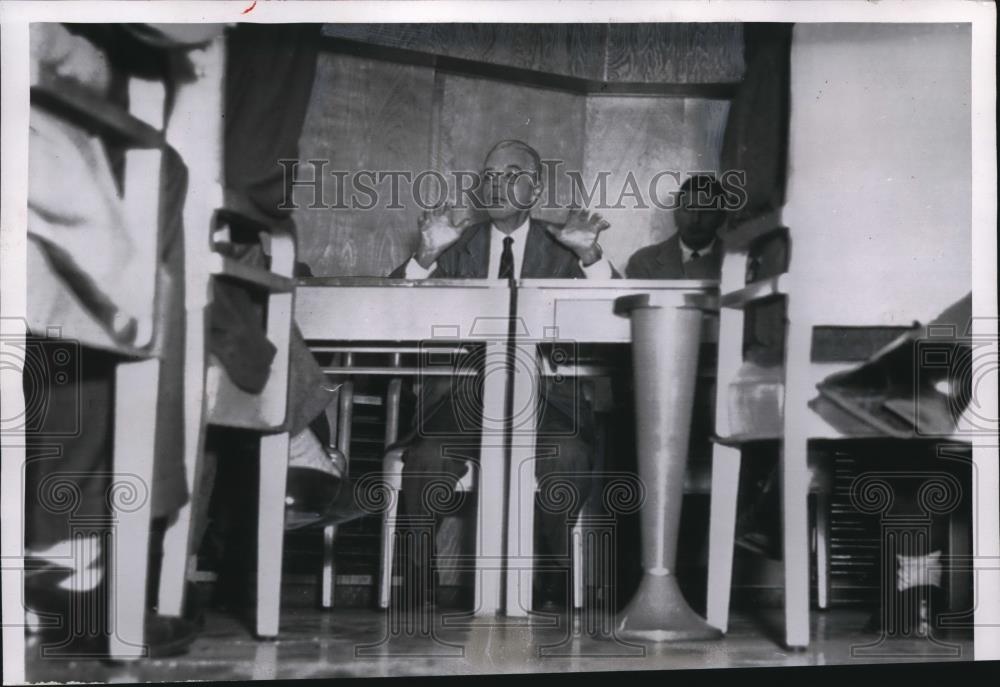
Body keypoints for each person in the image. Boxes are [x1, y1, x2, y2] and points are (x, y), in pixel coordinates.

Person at [389, 139, 617, 612]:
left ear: (533, 189)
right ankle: (416, 584)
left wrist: (591, 260)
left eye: (510, 174)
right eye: (489, 175)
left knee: (568, 454)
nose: (495, 183)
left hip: (545, 402)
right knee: (428, 456)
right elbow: (391, 313)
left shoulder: (565, 247)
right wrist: (425, 257)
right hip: (461, 400)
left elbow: (612, 318)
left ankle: (550, 581)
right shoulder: (456, 243)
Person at [625, 174, 726, 280]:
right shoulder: (644, 262)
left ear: (722, 217)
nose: (695, 219)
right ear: (675, 214)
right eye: (688, 209)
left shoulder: (738, 262)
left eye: (706, 211)